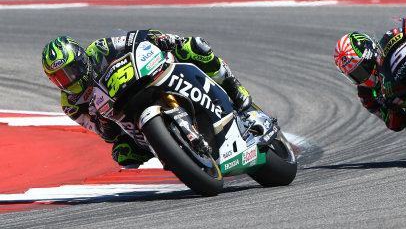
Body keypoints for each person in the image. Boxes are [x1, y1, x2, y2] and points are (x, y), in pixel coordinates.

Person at [42, 30, 252, 166]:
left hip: (142, 78)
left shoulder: (99, 49)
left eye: (71, 71)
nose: (69, 80)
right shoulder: (71, 105)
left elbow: (134, 38)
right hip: (125, 117)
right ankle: (168, 148)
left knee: (193, 46)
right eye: (60, 78)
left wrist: (160, 39)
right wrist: (103, 121)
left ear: (80, 60)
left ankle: (233, 86)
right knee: (122, 153)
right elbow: (106, 136)